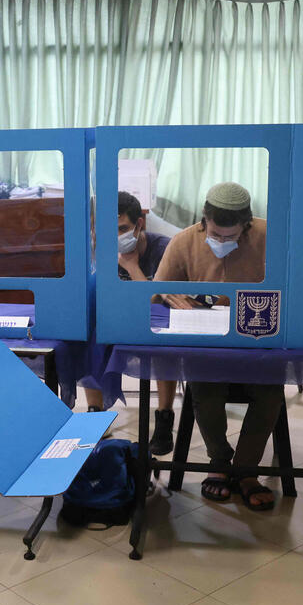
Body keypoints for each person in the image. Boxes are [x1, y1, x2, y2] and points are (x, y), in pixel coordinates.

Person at [154, 182, 284, 509]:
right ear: (203, 221)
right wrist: (172, 296)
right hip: (207, 347)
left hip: (258, 342)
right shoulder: (184, 242)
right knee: (205, 388)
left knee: (270, 392)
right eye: (215, 235)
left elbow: (295, 288)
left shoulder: (273, 237)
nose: (222, 243)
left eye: (231, 237)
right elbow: (155, 292)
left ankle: (246, 470)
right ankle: (220, 463)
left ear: (247, 224)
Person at [83, 191, 178, 453]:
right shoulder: (98, 250)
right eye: (105, 230)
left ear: (140, 225)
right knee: (89, 332)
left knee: (163, 342)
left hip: (155, 322)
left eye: (123, 229)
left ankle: (164, 417)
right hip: (116, 320)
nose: (115, 236)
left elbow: (157, 305)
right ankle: (95, 411)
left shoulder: (164, 248)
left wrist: (132, 266)